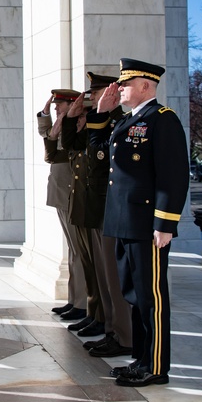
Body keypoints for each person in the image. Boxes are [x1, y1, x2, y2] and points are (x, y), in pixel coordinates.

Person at [85, 59, 189, 387]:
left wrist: (165, 223)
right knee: (133, 295)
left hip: (147, 226)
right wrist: (100, 113)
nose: (120, 89)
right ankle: (141, 360)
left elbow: (173, 176)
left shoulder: (162, 120)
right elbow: (98, 155)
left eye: (125, 84)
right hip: (123, 223)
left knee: (151, 298)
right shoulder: (126, 120)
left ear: (146, 85)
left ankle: (156, 367)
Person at [61, 73, 134, 357]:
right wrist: (71, 118)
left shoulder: (119, 121)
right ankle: (110, 328)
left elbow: (100, 160)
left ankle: (121, 334)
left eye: (99, 91)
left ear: (113, 92)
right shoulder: (99, 119)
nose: (93, 97)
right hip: (94, 206)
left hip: (108, 207)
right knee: (102, 277)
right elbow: (75, 147)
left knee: (113, 278)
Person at [38, 89, 95, 323]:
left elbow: (52, 154)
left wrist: (61, 123)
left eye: (59, 106)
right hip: (62, 194)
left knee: (80, 252)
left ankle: (82, 304)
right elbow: (46, 133)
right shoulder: (62, 125)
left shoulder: (77, 129)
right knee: (72, 251)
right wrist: (45, 113)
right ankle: (75, 300)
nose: (56, 109)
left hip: (71, 195)